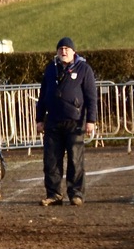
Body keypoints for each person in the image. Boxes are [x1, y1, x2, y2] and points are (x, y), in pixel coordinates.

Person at [36, 36, 97, 206]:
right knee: (51, 160)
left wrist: (91, 120)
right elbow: (43, 95)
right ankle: (54, 194)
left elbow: (91, 97)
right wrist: (39, 119)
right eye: (60, 49)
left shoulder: (84, 69)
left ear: (73, 52)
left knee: (75, 160)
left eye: (66, 49)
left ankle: (76, 194)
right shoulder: (50, 69)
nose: (63, 51)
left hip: (75, 121)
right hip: (53, 121)